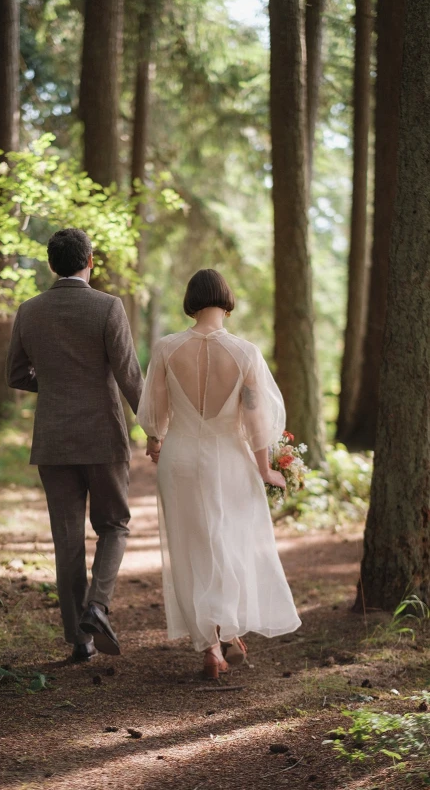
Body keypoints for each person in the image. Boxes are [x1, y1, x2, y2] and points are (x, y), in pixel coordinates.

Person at [137, 269, 301, 678]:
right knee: (230, 541)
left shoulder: (167, 349)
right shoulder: (245, 354)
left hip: (180, 457)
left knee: (190, 546)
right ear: (226, 300)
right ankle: (227, 628)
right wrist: (265, 469)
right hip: (229, 456)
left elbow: (155, 410)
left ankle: (212, 646)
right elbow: (255, 416)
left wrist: (155, 441)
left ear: (191, 301)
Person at [6, 228, 143, 663]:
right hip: (103, 435)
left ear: (51, 265)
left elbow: (15, 375)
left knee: (67, 540)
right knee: (114, 525)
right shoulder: (107, 307)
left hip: (54, 439)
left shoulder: (29, 311)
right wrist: (156, 427)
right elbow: (129, 377)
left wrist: (54, 383)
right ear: (90, 260)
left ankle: (78, 641)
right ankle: (97, 608)